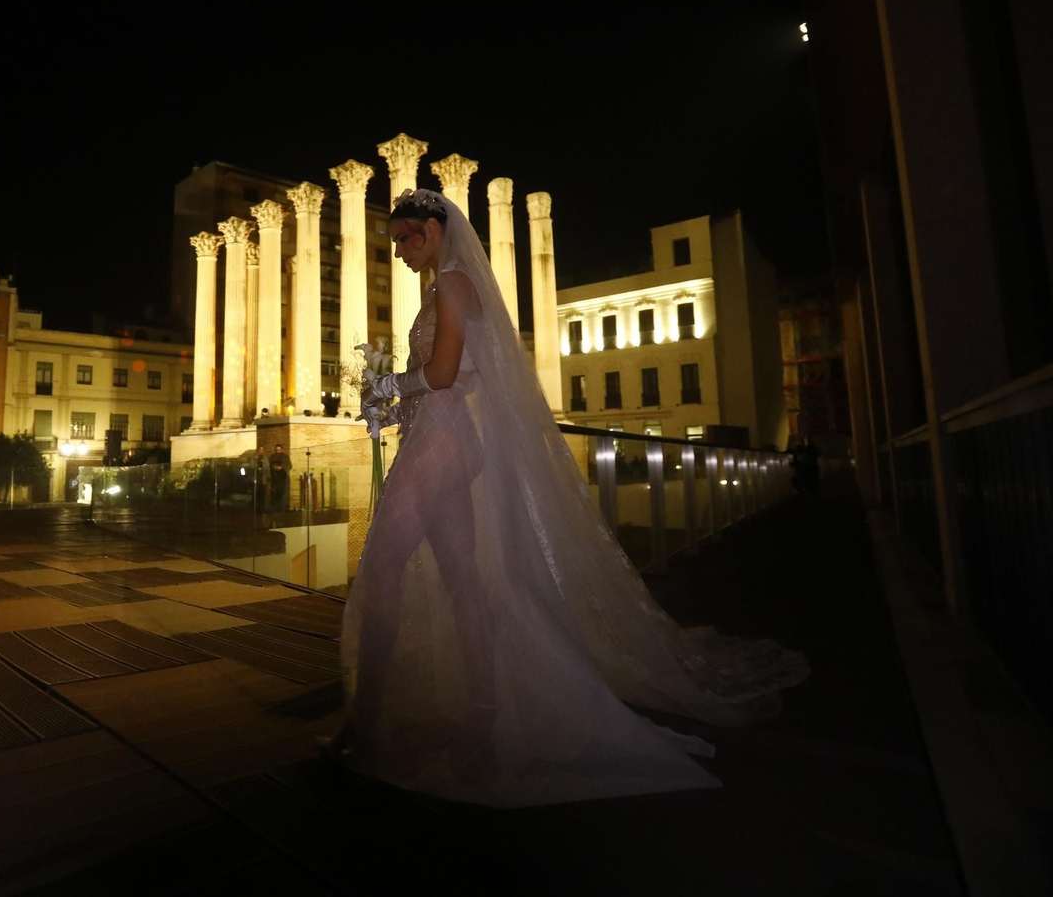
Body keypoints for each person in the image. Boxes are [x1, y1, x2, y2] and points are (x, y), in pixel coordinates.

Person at [332, 189, 808, 807]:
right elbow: (467, 374)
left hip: (443, 443)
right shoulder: (454, 288)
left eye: (405, 238)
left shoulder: (450, 287)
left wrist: (384, 384)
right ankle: (478, 717)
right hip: (449, 439)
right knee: (461, 581)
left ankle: (368, 719)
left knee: (386, 566)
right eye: (395, 242)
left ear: (433, 228)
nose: (398, 251)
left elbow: (445, 375)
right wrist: (395, 401)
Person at [268, 443, 291, 512]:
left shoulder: (285, 457)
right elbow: (268, 466)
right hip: (274, 478)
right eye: (276, 450)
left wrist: (281, 467)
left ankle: (281, 509)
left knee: (282, 494)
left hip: (282, 479)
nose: (278, 451)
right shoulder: (272, 457)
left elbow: (289, 466)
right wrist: (273, 468)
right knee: (274, 494)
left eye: (279, 450)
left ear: (282, 449)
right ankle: (274, 509)